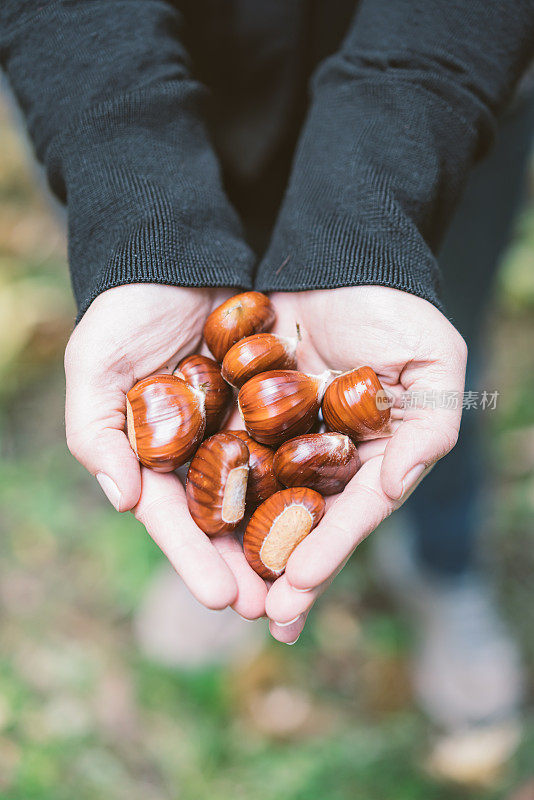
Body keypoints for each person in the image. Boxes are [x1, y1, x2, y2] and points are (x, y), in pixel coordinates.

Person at [1, 0, 533, 733]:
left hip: (437, 99)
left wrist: (375, 206)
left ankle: (442, 563)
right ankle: (214, 549)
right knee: (167, 332)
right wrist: (138, 218)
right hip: (127, 98)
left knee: (429, 378)